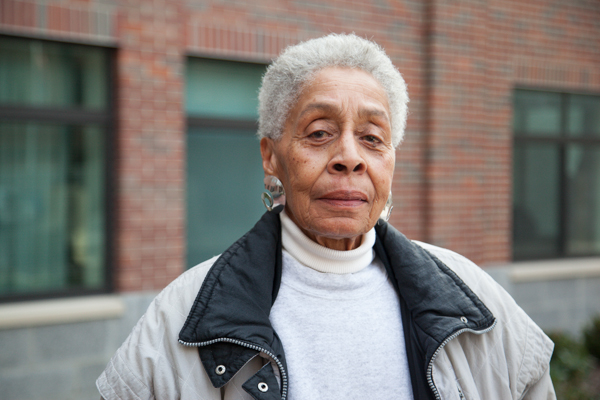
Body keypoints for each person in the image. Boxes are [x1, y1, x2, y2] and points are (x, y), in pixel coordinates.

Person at [97, 33, 555, 400]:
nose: (349, 158)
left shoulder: (475, 301)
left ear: (391, 161)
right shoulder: (181, 317)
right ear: (271, 156)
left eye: (373, 138)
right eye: (319, 133)